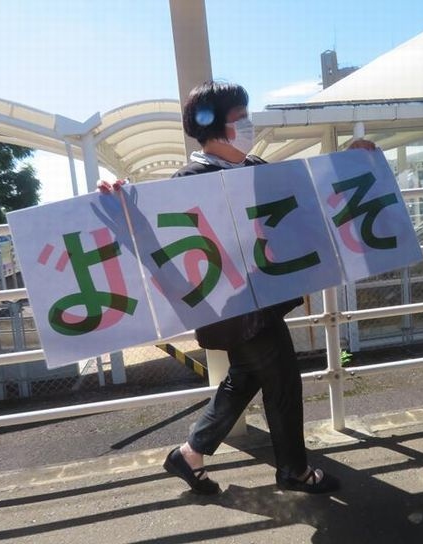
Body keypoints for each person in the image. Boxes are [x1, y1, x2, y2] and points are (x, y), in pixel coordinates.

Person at [99, 80, 375, 495]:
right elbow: (155, 239)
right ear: (212, 125)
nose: (248, 124)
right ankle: (293, 470)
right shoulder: (188, 179)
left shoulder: (254, 166)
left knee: (245, 376)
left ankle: (190, 454)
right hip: (231, 309)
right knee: (282, 380)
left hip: (261, 302)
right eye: (240, 117)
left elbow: (306, 192)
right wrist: (118, 201)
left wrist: (349, 163)